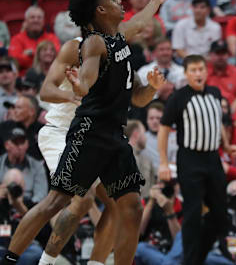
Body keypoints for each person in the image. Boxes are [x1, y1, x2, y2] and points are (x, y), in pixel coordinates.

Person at [0, 0, 171, 265]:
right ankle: (13, 260)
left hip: (115, 135)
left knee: (130, 208)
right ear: (100, 10)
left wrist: (156, 1)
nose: (120, 2)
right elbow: (86, 79)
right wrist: (79, 88)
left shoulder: (120, 38)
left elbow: (139, 25)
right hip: (86, 133)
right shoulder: (92, 43)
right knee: (61, 201)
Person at [36, 34, 154, 265]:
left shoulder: (122, 59)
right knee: (84, 197)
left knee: (117, 204)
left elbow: (140, 98)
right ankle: (47, 261)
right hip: (61, 132)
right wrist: (73, 94)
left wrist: (153, 87)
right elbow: (46, 91)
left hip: (95, 137)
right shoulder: (76, 47)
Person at [158, 55, 236, 265]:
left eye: (201, 69)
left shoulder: (215, 93)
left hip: (213, 158)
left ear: (206, 71)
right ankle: (190, 260)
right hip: (190, 159)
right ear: (186, 74)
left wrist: (227, 145)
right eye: (193, 70)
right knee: (193, 214)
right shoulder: (178, 97)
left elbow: (217, 121)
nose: (197, 74)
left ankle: (202, 255)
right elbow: (164, 129)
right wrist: (164, 162)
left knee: (221, 213)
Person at [0, 128, 48, 204]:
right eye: (16, 143)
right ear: (7, 145)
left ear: (27, 144)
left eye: (22, 142)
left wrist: (25, 206)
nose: (20, 147)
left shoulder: (38, 167)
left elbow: (41, 197)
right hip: (1, 209)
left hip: (30, 210)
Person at [135, 180, 183, 265]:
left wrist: (170, 212)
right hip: (149, 249)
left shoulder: (182, 206)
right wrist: (151, 201)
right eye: (161, 183)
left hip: (172, 252)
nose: (166, 188)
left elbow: (179, 241)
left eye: (171, 184)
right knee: (140, 248)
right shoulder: (147, 202)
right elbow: (138, 232)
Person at [0, 95, 44, 164]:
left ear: (31, 112)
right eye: (14, 107)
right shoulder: (4, 127)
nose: (14, 111)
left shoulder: (43, 131)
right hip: (6, 171)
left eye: (19, 108)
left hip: (35, 171)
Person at [8, 6, 61, 76]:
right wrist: (43, 56)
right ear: (26, 21)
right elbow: (14, 62)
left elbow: (57, 58)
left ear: (43, 21)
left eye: (39, 17)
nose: (36, 20)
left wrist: (29, 55)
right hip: (24, 80)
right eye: (32, 17)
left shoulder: (52, 38)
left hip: (48, 76)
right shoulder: (16, 39)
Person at [205, 40, 236, 108]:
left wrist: (230, 111)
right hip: (208, 108)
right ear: (210, 54)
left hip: (231, 109)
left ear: (228, 55)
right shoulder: (204, 71)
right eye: (217, 53)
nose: (221, 57)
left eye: (223, 53)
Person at [140, 102, 177, 169]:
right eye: (151, 118)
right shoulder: (140, 139)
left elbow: (176, 163)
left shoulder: (175, 138)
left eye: (158, 118)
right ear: (147, 120)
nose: (155, 121)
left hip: (169, 175)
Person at [125, 120, 156, 198]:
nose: (146, 138)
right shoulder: (124, 157)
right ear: (136, 134)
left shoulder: (146, 158)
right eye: (144, 133)